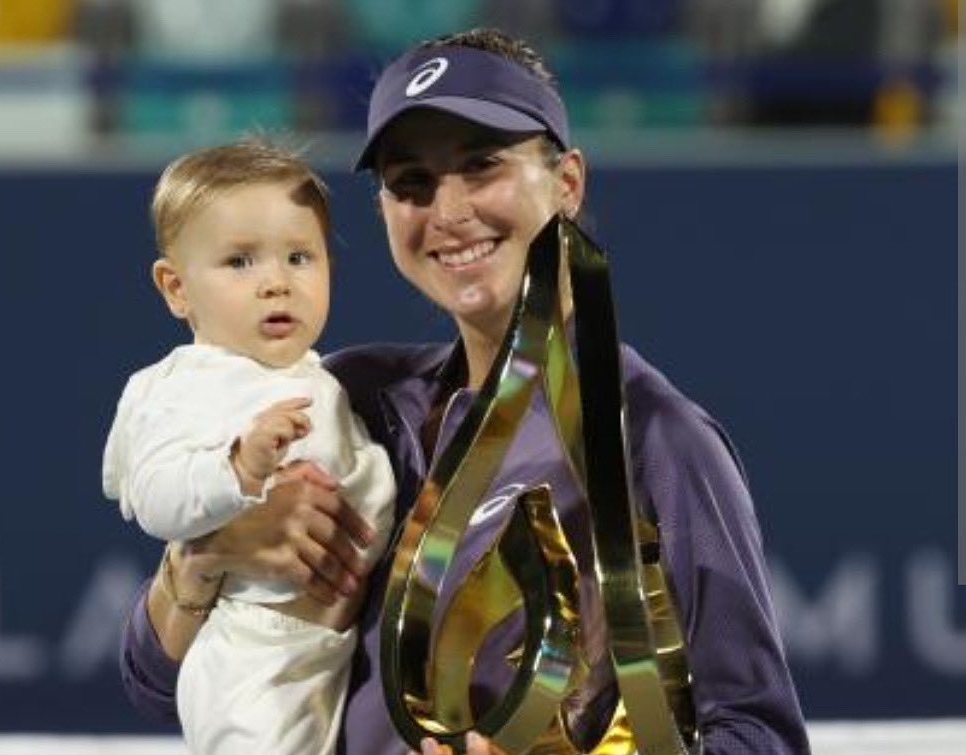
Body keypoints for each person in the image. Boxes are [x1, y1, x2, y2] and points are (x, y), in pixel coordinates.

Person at [117, 28, 811, 755]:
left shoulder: (654, 437)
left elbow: (758, 735)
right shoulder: (353, 398)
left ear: (567, 182)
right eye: (412, 183)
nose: (448, 213)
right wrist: (208, 555)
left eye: (482, 166)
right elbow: (152, 680)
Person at [102, 138, 395, 754]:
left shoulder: (322, 379)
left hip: (330, 648)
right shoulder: (188, 384)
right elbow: (156, 497)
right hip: (254, 649)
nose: (276, 284)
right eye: (240, 262)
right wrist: (235, 469)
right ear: (176, 288)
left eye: (299, 257)